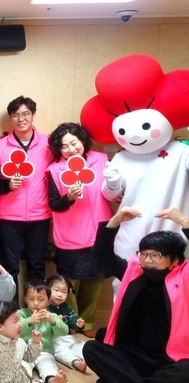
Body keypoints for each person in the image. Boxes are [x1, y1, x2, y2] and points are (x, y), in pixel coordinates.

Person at [84, 206, 189, 383]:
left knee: (185, 376)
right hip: (133, 354)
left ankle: (122, 381)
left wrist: (184, 222)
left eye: (156, 255)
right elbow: (101, 255)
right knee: (92, 347)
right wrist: (115, 220)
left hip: (168, 360)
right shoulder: (133, 272)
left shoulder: (184, 276)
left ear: (175, 261)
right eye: (144, 254)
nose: (147, 260)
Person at [46, 122, 112, 332]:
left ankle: (88, 325)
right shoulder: (55, 170)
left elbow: (114, 188)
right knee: (68, 286)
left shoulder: (102, 160)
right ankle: (70, 327)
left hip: (99, 233)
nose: (71, 149)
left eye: (74, 143)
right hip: (70, 237)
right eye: (64, 146)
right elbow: (54, 204)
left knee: (95, 284)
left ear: (82, 140)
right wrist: (68, 197)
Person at [0, 96, 53, 284]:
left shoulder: (49, 144)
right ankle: (11, 304)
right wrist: (6, 185)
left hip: (40, 214)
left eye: (25, 114)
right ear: (10, 118)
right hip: (8, 217)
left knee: (37, 265)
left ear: (33, 115)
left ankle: (36, 303)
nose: (21, 119)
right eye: (15, 115)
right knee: (9, 267)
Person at [18, 281, 69, 383]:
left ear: (48, 301)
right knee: (22, 366)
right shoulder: (21, 313)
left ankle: (52, 381)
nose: (36, 303)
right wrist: (29, 321)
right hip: (25, 352)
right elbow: (15, 329)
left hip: (44, 352)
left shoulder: (52, 316)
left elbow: (64, 331)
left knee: (48, 365)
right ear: (25, 299)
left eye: (41, 300)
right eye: (31, 299)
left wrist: (53, 321)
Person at [46, 275, 87, 372]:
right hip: (54, 338)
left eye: (64, 292)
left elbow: (72, 318)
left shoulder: (67, 306)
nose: (60, 294)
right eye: (56, 290)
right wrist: (55, 321)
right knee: (60, 350)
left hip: (68, 336)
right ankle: (75, 362)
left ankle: (92, 358)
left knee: (82, 345)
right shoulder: (44, 306)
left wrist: (78, 323)